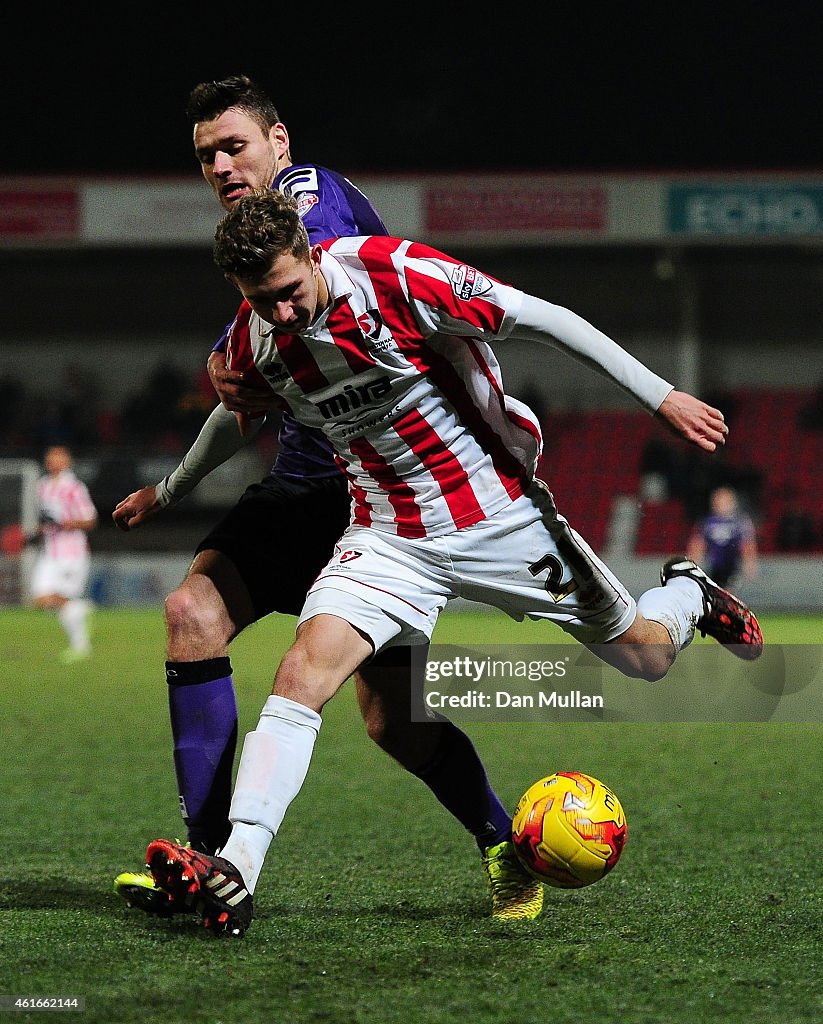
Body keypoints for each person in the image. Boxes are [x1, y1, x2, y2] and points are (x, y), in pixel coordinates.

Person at [143, 189, 763, 937]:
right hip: (386, 538)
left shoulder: (397, 275)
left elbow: (547, 319)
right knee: (304, 672)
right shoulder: (256, 338)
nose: (279, 315)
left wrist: (660, 396)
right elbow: (234, 415)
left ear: (311, 255)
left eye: (286, 293)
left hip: (501, 519)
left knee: (645, 658)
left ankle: (688, 597)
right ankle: (237, 870)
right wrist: (170, 489)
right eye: (258, 301)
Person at [113, 76, 541, 923]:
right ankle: (207, 863)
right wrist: (172, 486)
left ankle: (506, 846)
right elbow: (251, 391)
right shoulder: (250, 249)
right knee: (191, 613)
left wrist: (229, 352)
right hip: (305, 485)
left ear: (278, 142)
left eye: (235, 146)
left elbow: (305, 317)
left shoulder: (309, 200)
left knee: (394, 724)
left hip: (379, 502)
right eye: (206, 156)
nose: (223, 166)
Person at [29, 445, 97, 663]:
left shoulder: (75, 487)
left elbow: (90, 520)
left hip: (72, 553)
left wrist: (67, 523)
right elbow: (46, 520)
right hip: (50, 552)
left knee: (64, 603)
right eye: (49, 458)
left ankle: (81, 646)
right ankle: (84, 607)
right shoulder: (43, 486)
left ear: (67, 462)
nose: (51, 462)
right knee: (40, 597)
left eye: (56, 458)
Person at [686, 486, 758, 588]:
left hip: (732, 565)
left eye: (725, 502)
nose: (722, 505)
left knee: (728, 591)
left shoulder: (740, 522)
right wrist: (693, 562)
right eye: (719, 501)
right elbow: (698, 543)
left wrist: (749, 562)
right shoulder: (707, 521)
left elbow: (747, 544)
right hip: (713, 564)